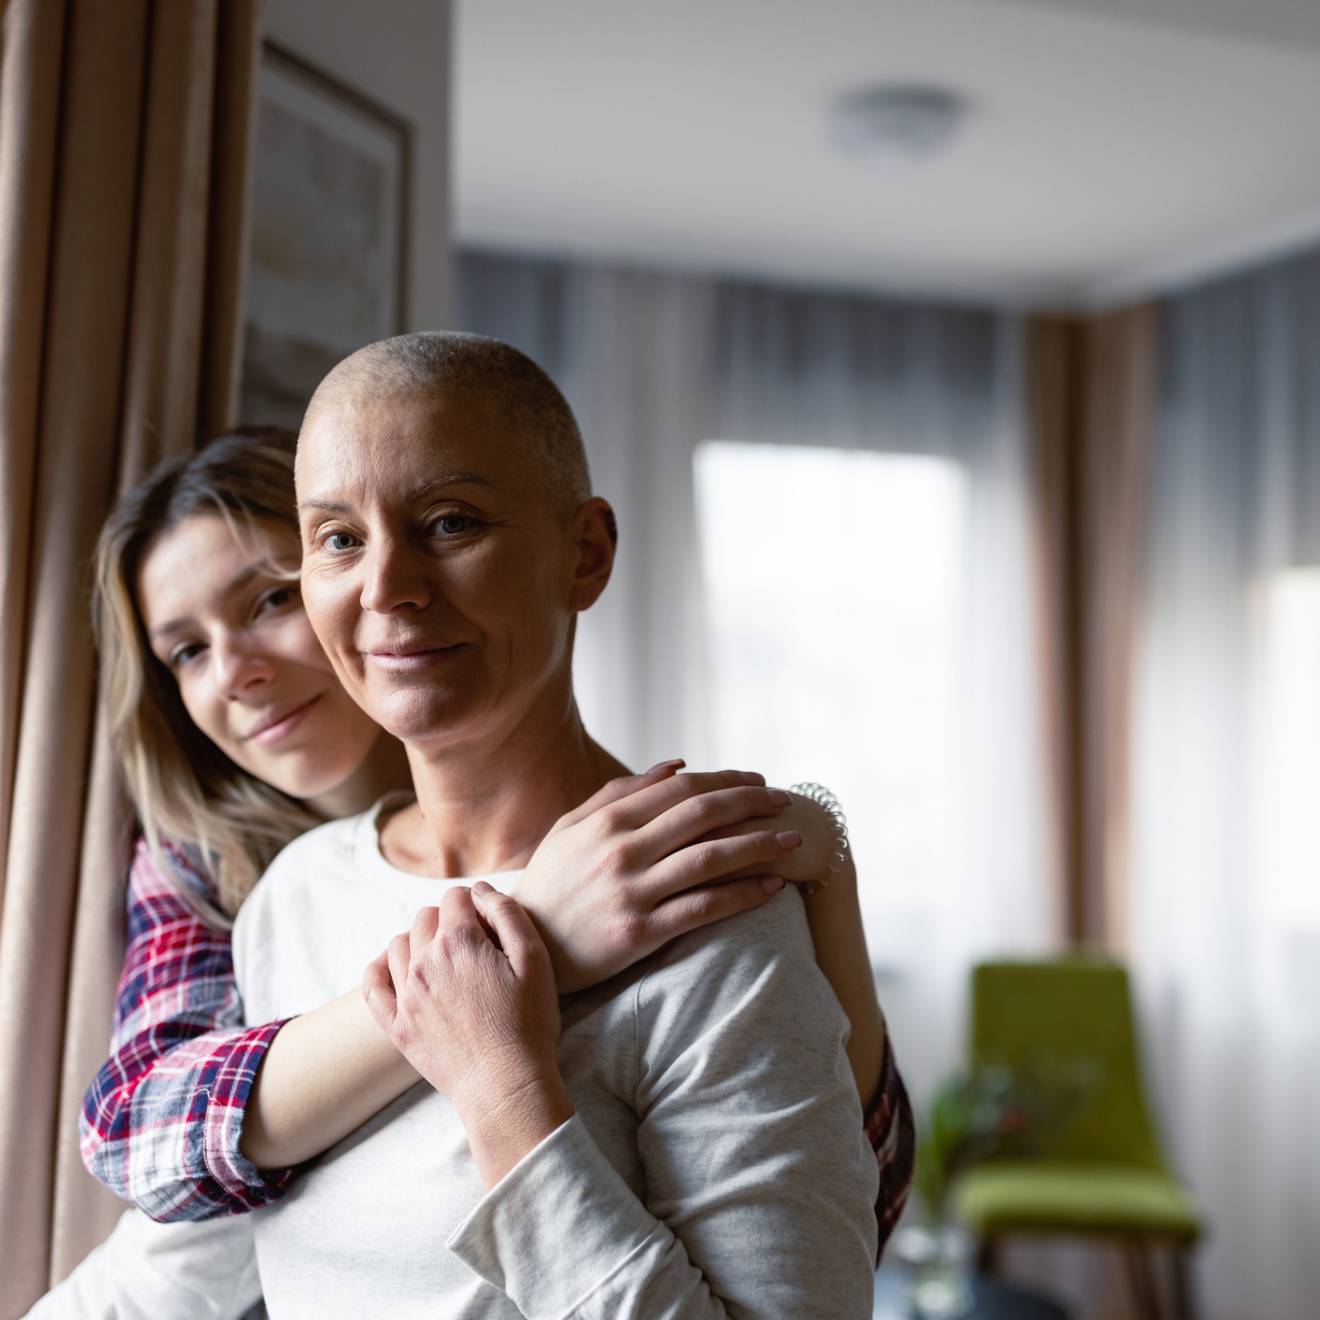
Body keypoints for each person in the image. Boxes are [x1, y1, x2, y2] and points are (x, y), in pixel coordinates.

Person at [28, 428, 910, 1316]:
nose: (235, 674)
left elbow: (852, 1206)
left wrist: (825, 869)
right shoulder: (220, 871)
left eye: (267, 601)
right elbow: (136, 1138)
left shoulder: (640, 874)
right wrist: (524, 939)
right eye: (185, 651)